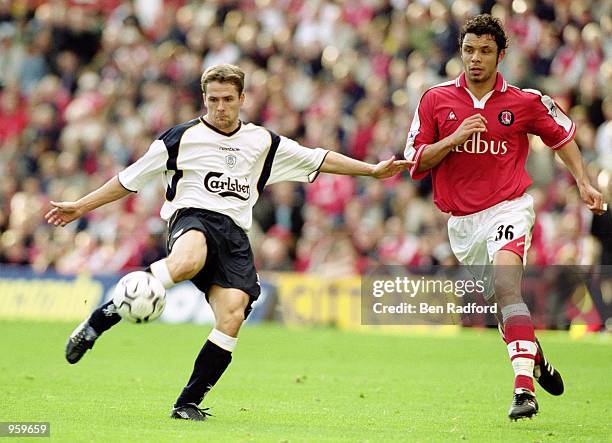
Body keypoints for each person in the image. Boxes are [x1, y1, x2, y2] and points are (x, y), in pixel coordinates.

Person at [45, 63, 411, 421]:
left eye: (228, 100)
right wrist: (80, 205)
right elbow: (128, 179)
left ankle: (186, 402)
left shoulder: (262, 142)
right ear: (204, 99)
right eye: (214, 100)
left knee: (233, 314)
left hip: (235, 235)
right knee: (189, 258)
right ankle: (99, 321)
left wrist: (371, 169)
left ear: (242, 99)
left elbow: (317, 158)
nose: (221, 108)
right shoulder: (179, 138)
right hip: (192, 217)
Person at [404, 14, 606, 420]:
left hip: (509, 207)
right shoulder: (435, 99)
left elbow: (562, 136)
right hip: (463, 225)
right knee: (502, 305)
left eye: (484, 51)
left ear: (501, 55)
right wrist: (454, 138)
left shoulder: (525, 101)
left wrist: (583, 181)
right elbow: (415, 161)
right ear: (460, 52)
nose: (475, 59)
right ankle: (536, 359)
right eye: (468, 51)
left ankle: (523, 391)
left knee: (507, 286)